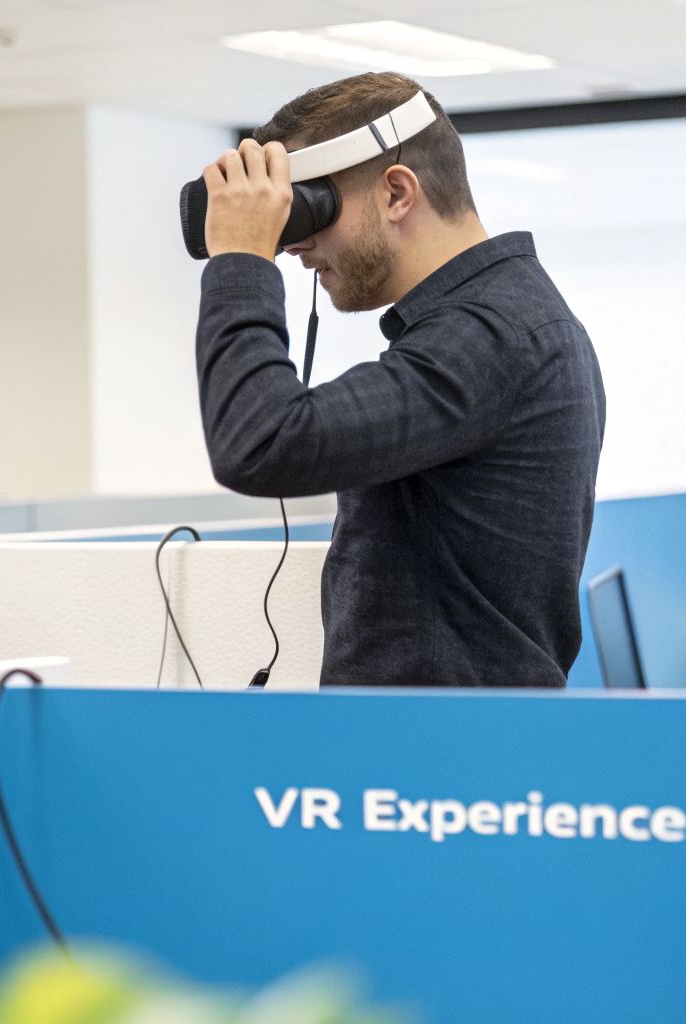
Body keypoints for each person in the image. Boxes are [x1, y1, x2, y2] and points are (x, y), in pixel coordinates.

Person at [195, 72, 606, 687]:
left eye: (312, 206)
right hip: (442, 733)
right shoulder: (508, 321)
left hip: (440, 743)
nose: (294, 245)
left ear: (396, 192)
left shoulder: (490, 336)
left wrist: (240, 259)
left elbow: (263, 443)